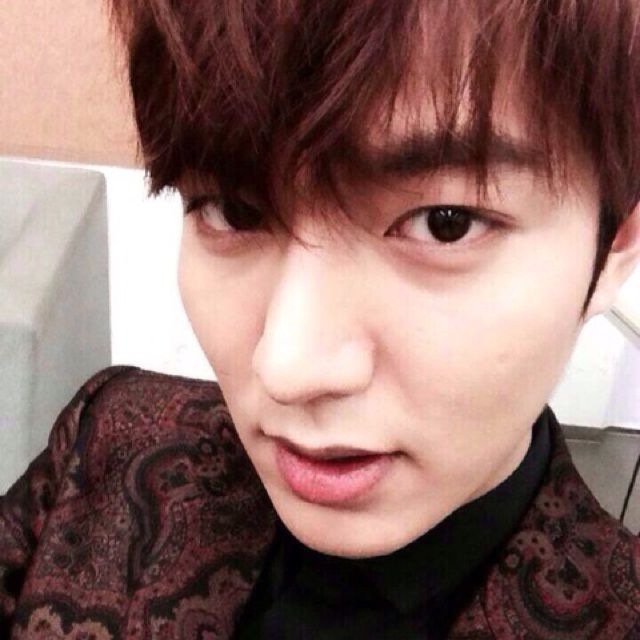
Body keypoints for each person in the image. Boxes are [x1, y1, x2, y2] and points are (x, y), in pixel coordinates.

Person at [2, 0, 640, 638]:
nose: (288, 367)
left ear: (615, 245)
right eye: (232, 210)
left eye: (444, 224)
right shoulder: (106, 438)